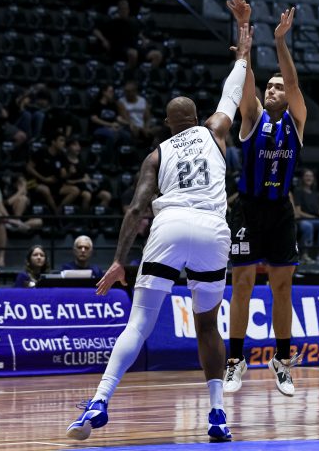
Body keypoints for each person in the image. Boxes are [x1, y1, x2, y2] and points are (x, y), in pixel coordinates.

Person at [66, 23, 253, 443]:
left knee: (138, 324)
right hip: (212, 230)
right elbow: (232, 91)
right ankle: (217, 414)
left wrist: (119, 261)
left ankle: (99, 401)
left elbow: (136, 210)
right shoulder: (215, 131)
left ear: (168, 124)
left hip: (169, 226)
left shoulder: (157, 154)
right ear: (196, 118)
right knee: (208, 327)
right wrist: (243, 52)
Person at [224, 0, 306, 396]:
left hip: (281, 212)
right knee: (241, 284)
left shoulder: (297, 121)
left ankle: (282, 361)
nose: (273, 90)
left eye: (278, 87)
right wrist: (245, 30)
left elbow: (292, 82)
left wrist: (280, 41)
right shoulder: (253, 117)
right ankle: (235, 361)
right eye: (269, 87)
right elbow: (247, 80)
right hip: (247, 210)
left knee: (282, 287)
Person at [63, 137, 112, 211]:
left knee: (107, 195)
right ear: (68, 147)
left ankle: (97, 215)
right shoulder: (64, 161)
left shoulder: (80, 160)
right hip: (76, 187)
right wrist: (81, 180)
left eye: (78, 145)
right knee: (87, 195)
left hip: (86, 186)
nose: (78, 147)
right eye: (74, 145)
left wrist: (91, 180)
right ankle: (85, 216)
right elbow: (65, 181)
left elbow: (85, 174)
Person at [26, 132, 69, 215]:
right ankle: (56, 214)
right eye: (61, 140)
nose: (63, 143)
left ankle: (60, 208)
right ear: (53, 142)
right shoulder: (41, 152)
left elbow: (64, 174)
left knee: (74, 190)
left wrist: (67, 173)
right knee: (45, 190)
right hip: (32, 182)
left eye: (64, 141)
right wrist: (43, 179)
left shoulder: (62, 155)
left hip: (52, 183)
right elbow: (29, 168)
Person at [89, 84, 132, 166]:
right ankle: (107, 161)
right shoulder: (96, 104)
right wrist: (110, 124)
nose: (112, 93)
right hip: (98, 129)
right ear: (104, 92)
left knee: (126, 135)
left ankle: (123, 161)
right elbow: (94, 119)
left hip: (113, 128)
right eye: (110, 91)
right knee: (113, 135)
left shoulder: (112, 105)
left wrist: (129, 123)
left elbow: (118, 118)